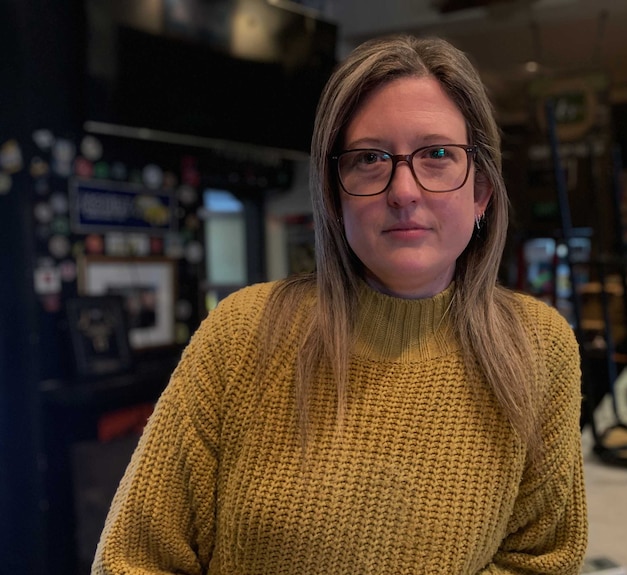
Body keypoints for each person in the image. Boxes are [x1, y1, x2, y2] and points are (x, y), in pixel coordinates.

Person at [92, 34, 587, 575]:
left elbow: (541, 561)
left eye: (438, 154)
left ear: (482, 193)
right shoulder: (241, 333)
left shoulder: (539, 346)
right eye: (371, 158)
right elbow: (132, 560)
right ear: (334, 195)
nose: (403, 190)